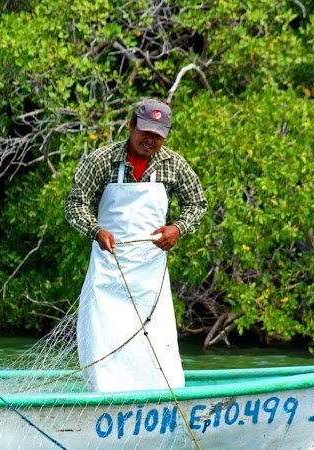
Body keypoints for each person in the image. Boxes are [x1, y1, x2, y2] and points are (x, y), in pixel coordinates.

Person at [65, 99, 207, 392]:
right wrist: (96, 230)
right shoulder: (100, 161)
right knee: (106, 335)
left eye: (158, 135)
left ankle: (157, 394)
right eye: (145, 132)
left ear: (166, 136)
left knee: (155, 339)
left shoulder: (174, 164)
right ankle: (105, 395)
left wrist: (177, 228)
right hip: (108, 267)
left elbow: (197, 203)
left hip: (150, 272)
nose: (150, 140)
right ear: (131, 126)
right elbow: (75, 206)